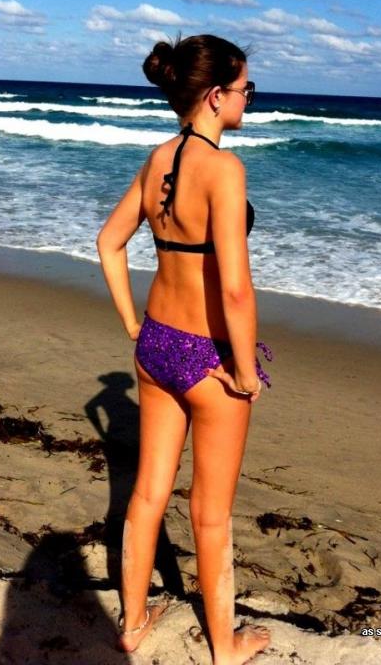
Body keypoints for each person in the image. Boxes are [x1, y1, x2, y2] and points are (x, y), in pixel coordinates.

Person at [97, 34, 272, 665]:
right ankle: (225, 646)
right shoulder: (224, 170)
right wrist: (245, 371)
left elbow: (108, 242)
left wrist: (132, 324)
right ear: (216, 95)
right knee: (212, 514)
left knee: (147, 494)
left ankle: (133, 622)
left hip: (157, 344)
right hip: (207, 357)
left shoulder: (158, 159)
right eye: (246, 88)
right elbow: (235, 289)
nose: (249, 99)